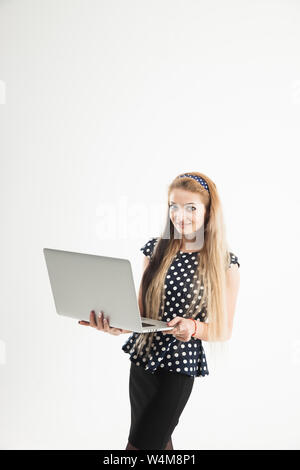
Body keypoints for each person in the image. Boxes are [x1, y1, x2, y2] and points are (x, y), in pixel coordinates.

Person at [78, 172, 241, 450]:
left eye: (191, 207)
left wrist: (193, 326)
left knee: (139, 446)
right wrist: (114, 324)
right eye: (174, 206)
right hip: (143, 359)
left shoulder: (224, 263)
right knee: (158, 445)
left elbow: (223, 330)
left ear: (208, 211)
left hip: (178, 367)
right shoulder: (155, 249)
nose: (181, 215)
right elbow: (141, 314)